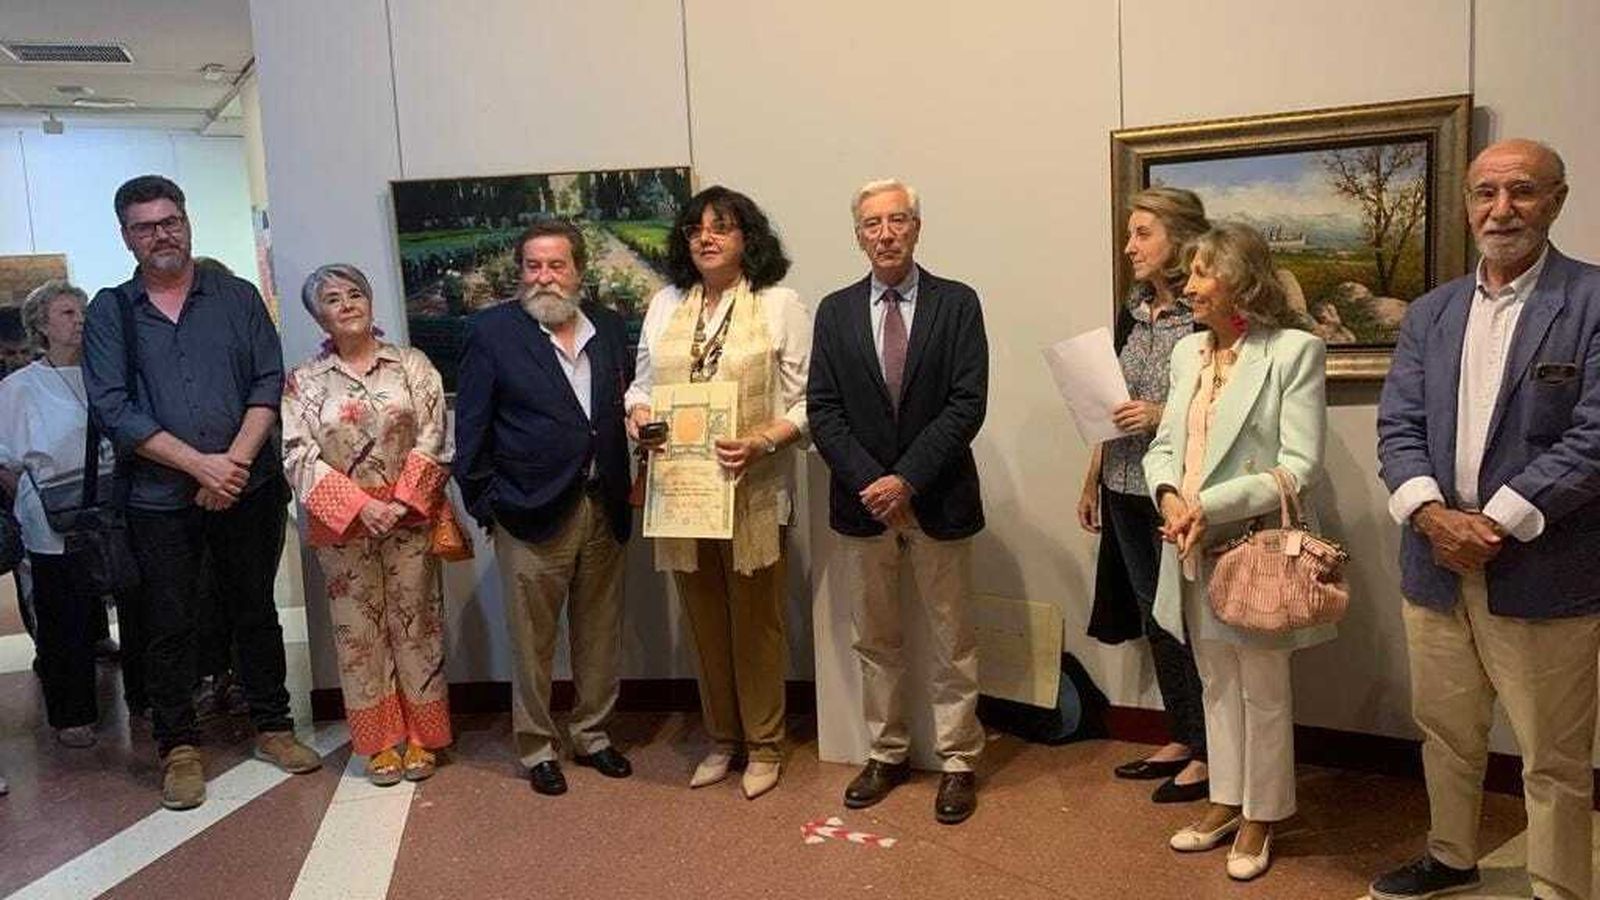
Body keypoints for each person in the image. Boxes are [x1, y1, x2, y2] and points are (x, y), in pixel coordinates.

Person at [1371, 139, 1600, 900]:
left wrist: (1492, 524)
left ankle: (1558, 889)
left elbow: (1594, 436)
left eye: (1523, 191)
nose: (1502, 210)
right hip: (1434, 568)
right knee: (1447, 734)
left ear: (1557, 200)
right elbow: (1398, 426)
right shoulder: (1432, 312)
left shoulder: (1593, 302)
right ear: (1467, 204)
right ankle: (1450, 856)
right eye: (1485, 193)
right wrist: (1433, 516)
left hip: (1545, 570)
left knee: (1554, 758)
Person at [83, 175, 319, 811]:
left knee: (254, 609)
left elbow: (268, 382)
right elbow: (112, 407)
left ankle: (273, 726)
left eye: (169, 221)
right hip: (158, 501)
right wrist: (200, 468)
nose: (160, 234)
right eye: (144, 226)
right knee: (166, 623)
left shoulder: (236, 296)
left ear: (185, 222)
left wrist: (232, 465)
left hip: (248, 488)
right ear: (126, 236)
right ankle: (178, 748)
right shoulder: (111, 311)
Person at [1143, 222, 1330, 881]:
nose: (1187, 286)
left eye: (1200, 273)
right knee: (1216, 681)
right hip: (1188, 542)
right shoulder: (1188, 355)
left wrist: (1207, 507)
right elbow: (1164, 444)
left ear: (1238, 280)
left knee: (1263, 689)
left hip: (1252, 547)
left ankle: (1264, 813)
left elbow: (1299, 466)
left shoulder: (1293, 352)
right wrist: (1168, 495)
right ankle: (1226, 799)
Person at [807, 178, 988, 825]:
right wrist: (875, 484)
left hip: (938, 499)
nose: (885, 233)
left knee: (952, 640)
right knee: (875, 640)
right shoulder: (832, 312)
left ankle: (959, 760)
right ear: (858, 234)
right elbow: (822, 411)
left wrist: (906, 479)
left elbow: (968, 403)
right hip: (863, 506)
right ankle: (886, 753)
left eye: (898, 220)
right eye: (872, 223)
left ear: (917, 226)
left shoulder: (958, 304)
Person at [625, 186, 811, 800]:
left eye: (721, 227)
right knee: (704, 622)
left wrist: (764, 440)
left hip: (754, 490)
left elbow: (811, 400)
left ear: (745, 238)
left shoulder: (779, 305)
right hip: (683, 492)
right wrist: (640, 418)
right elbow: (640, 386)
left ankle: (763, 745)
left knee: (757, 623)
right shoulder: (666, 304)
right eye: (696, 229)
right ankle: (721, 740)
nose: (706, 238)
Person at [454, 220, 635, 797]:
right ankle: (537, 746)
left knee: (599, 633)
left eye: (556, 265)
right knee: (531, 643)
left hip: (602, 504)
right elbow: (472, 434)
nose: (544, 277)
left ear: (579, 270)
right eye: (533, 265)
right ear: (520, 272)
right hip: (527, 515)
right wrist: (491, 508)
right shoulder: (491, 332)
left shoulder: (606, 327)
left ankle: (593, 734)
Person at [283, 264, 453, 785]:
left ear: (371, 301)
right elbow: (297, 453)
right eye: (333, 299)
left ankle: (424, 736)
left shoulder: (411, 365)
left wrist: (399, 503)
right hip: (344, 525)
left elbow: (435, 435)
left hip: (410, 516)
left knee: (417, 622)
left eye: (355, 293)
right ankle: (379, 741)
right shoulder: (305, 382)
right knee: (357, 634)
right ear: (319, 316)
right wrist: (361, 506)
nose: (347, 304)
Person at [1079, 187, 1211, 803]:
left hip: (1181, 494)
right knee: (1156, 619)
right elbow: (1111, 402)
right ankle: (1184, 735)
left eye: (1142, 234)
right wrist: (1091, 478)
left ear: (1180, 240)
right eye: (1129, 234)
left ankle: (1215, 751)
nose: (1129, 247)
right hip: (1124, 484)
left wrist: (1161, 413)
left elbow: (1218, 402)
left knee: (1193, 621)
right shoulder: (1133, 311)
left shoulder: (1207, 314)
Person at [0, 281, 124, 747]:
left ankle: (149, 698)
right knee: (63, 616)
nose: (80, 321)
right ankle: (72, 713)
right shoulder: (19, 388)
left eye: (83, 312)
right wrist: (34, 499)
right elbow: (5, 455)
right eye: (68, 313)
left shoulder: (104, 373)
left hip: (111, 507)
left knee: (126, 593)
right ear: (41, 327)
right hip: (52, 517)